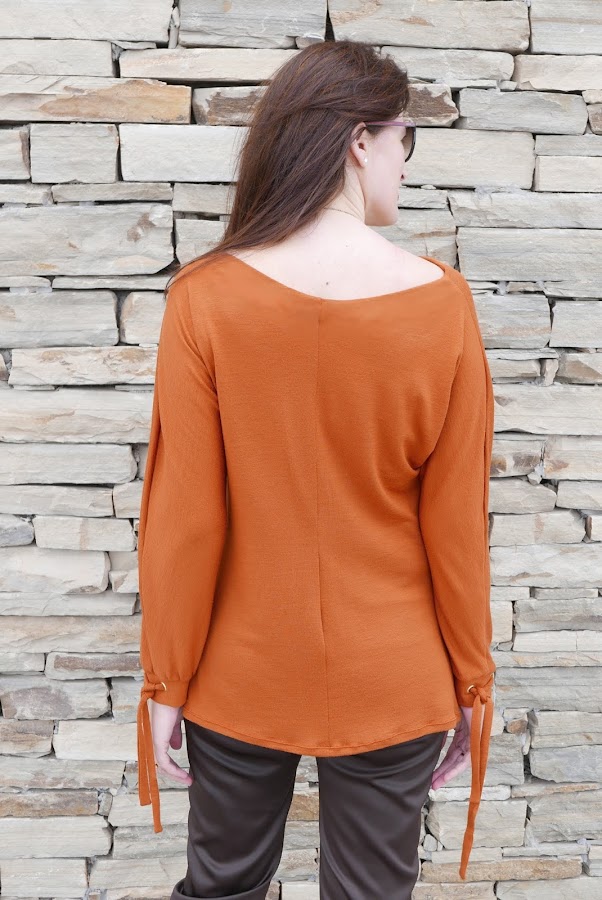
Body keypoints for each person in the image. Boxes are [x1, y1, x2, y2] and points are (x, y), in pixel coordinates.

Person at [135, 38, 496, 899]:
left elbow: (187, 518)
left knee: (221, 888)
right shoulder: (443, 303)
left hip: (240, 668)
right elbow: (455, 527)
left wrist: (166, 682)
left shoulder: (205, 296)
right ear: (361, 141)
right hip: (393, 669)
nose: (405, 162)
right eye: (406, 138)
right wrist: (471, 683)